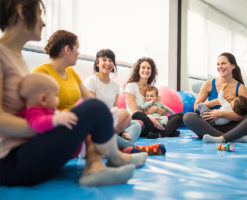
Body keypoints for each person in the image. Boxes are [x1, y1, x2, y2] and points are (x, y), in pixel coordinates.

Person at [0, 1, 146, 186]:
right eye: (39, 14)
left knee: (98, 110)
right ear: (21, 12)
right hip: (11, 161)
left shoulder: (17, 57)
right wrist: (50, 124)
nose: (44, 23)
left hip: (32, 145)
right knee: (93, 109)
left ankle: (98, 165)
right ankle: (113, 156)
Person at [84, 49, 166, 155]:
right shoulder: (91, 81)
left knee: (136, 124)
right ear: (97, 62)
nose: (108, 63)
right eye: (104, 60)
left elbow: (115, 110)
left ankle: (122, 145)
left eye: (110, 60)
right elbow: (92, 109)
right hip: (98, 124)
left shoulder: (114, 86)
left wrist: (121, 131)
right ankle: (139, 149)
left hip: (112, 125)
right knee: (131, 117)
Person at [183, 52, 247, 143]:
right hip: (210, 126)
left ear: (233, 66)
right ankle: (233, 138)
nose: (220, 66)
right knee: (188, 117)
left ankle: (220, 138)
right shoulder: (209, 84)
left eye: (223, 63)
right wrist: (214, 102)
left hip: (233, 126)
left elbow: (243, 115)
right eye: (218, 64)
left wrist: (221, 114)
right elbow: (196, 107)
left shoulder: (240, 87)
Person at [125, 57, 183, 139]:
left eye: (148, 68)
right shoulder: (131, 86)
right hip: (140, 122)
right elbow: (134, 112)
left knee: (181, 115)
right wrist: (150, 119)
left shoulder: (152, 89)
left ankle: (159, 134)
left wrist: (156, 109)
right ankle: (168, 132)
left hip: (157, 120)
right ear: (138, 70)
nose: (146, 70)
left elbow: (164, 112)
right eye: (143, 67)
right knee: (138, 114)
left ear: (151, 72)